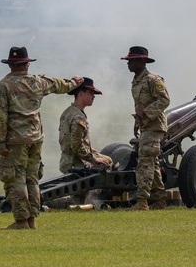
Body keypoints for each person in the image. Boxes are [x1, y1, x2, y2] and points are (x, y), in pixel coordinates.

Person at [0, 46, 83, 230]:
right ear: (26, 64)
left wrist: (0, 143)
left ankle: (21, 221)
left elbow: (0, 118)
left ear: (10, 65)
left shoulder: (3, 86)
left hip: (15, 141)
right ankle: (31, 220)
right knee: (32, 179)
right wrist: (74, 83)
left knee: (16, 179)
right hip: (36, 138)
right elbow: (59, 85)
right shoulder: (37, 82)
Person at [122, 45, 170, 211]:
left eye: (131, 61)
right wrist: (138, 121)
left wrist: (146, 113)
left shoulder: (153, 79)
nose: (128, 64)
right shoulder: (137, 81)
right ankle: (160, 200)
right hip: (146, 126)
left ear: (141, 62)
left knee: (144, 163)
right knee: (153, 164)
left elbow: (164, 100)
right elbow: (140, 105)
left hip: (154, 127)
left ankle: (142, 202)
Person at [55, 77, 112, 207]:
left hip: (68, 160)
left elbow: (68, 140)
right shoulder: (78, 116)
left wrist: (88, 149)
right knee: (105, 164)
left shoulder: (68, 112)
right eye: (91, 93)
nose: (93, 96)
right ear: (81, 93)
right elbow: (76, 144)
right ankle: (92, 202)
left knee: (76, 200)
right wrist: (93, 159)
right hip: (77, 164)